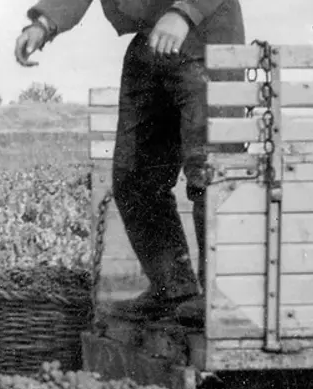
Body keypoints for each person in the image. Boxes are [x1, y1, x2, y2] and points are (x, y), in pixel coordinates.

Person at [15, 0, 247, 325]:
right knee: (134, 178)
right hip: (151, 43)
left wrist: (185, 12)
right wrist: (44, 23)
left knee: (211, 175)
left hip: (206, 39)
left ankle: (222, 295)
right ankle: (172, 288)